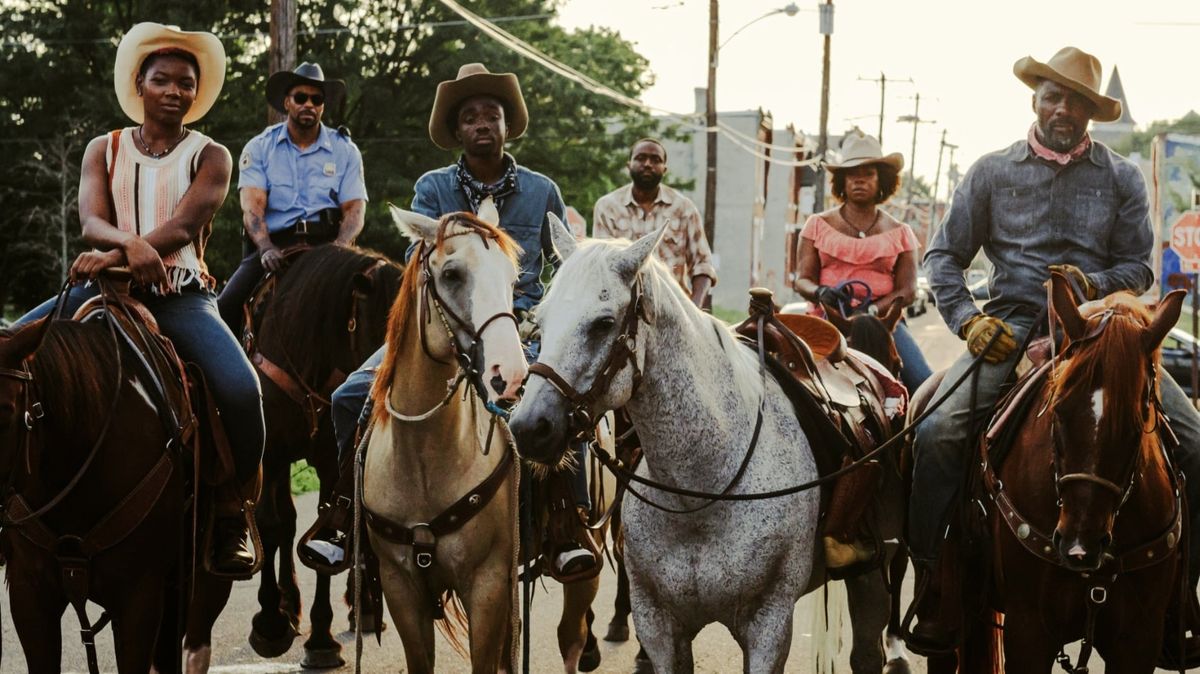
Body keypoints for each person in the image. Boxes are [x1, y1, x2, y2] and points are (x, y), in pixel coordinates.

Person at [909, 46, 1200, 662]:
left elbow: (1138, 268)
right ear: (1035, 99)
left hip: (1102, 329)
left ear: (1092, 113)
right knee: (936, 433)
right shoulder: (991, 172)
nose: (1063, 109)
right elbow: (943, 258)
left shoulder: (1121, 177)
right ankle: (937, 584)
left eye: (1077, 102)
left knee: (1195, 446)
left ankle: (1182, 600)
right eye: (1053, 97)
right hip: (1011, 325)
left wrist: (1092, 286)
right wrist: (969, 321)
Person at [301, 64, 598, 579]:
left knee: (560, 403)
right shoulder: (433, 188)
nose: (482, 123)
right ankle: (343, 514)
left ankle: (565, 523)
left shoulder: (542, 190)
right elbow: (416, 262)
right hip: (443, 324)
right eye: (470, 117)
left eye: (491, 115)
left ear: (507, 126)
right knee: (350, 396)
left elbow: (563, 263)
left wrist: (546, 318)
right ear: (457, 131)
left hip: (517, 325)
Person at [14, 23, 263, 575]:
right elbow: (91, 221)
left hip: (179, 296)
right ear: (140, 85)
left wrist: (122, 253)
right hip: (99, 287)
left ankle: (233, 512)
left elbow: (184, 227)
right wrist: (126, 250)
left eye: (186, 83)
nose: (174, 91)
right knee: (8, 354)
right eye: (162, 80)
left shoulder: (212, 155)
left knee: (242, 390)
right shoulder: (103, 148)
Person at [216, 62, 366, 335]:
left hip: (328, 245)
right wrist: (265, 247)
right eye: (301, 97)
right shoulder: (260, 147)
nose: (309, 104)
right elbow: (252, 208)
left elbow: (355, 209)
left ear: (322, 106)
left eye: (316, 99)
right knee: (225, 307)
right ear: (287, 102)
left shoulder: (345, 150)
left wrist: (341, 247)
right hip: (276, 246)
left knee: (374, 303)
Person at [793, 131, 932, 392]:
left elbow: (908, 290)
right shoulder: (817, 225)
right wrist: (820, 292)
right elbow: (802, 280)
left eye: (868, 173)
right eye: (851, 174)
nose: (859, 180)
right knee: (788, 382)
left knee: (924, 383)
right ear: (842, 181)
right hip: (824, 318)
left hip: (883, 325)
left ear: (882, 180)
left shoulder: (901, 232)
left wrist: (872, 311)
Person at [592, 138, 717, 307]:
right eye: (641, 158)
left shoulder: (684, 208)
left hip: (673, 309)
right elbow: (602, 266)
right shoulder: (608, 207)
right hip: (623, 309)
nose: (648, 164)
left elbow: (703, 265)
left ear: (664, 169)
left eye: (655, 160)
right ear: (629, 165)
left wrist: (694, 309)